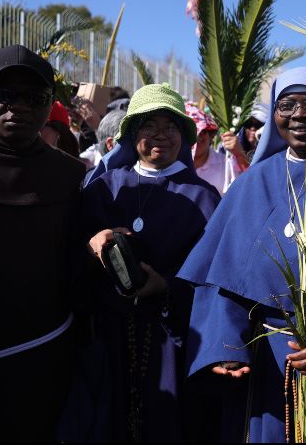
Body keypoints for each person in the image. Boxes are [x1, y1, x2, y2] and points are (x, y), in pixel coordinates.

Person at [177, 67, 306, 442]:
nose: (299, 115)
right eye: (287, 104)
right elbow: (220, 278)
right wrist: (226, 346)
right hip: (264, 359)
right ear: (274, 114)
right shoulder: (252, 183)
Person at [59, 83, 221, 442]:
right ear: (132, 134)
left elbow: (215, 276)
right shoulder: (105, 187)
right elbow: (70, 254)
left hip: (172, 341)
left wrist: (166, 284)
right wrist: (92, 246)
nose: (160, 136)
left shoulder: (205, 199)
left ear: (184, 135)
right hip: (109, 337)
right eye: (149, 126)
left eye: (170, 126)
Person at [0, 44, 86, 440]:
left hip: (42, 357)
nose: (18, 107)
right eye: (3, 95)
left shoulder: (71, 175)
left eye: (34, 98)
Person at [187, 101, 231, 195]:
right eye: (193, 132)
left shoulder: (226, 164)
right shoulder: (172, 164)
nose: (198, 136)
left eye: (202, 131)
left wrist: (239, 154)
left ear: (210, 136)